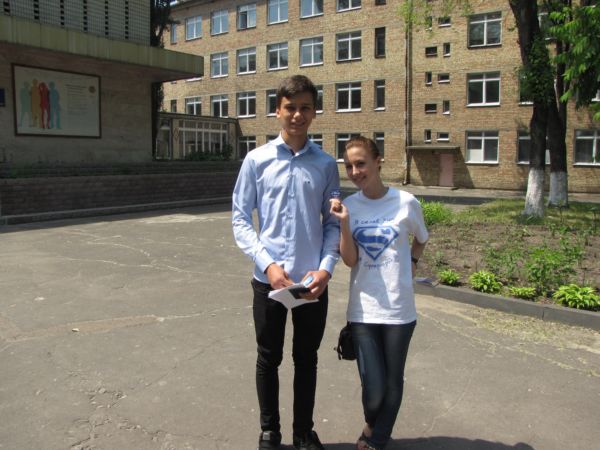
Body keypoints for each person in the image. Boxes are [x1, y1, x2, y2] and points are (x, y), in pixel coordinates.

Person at [232, 75, 340, 450]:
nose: (297, 114)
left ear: (314, 113)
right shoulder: (256, 160)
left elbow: (332, 223)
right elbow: (240, 219)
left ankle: (303, 432)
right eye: (290, 107)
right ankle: (270, 431)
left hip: (311, 283)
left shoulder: (325, 165)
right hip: (269, 281)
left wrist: (326, 268)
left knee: (306, 359)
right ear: (277, 110)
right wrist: (268, 265)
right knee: (268, 357)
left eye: (305, 107)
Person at [329, 137, 428, 450]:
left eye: (361, 164)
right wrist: (345, 224)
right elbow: (350, 260)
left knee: (393, 380)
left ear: (377, 161)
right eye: (349, 166)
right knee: (373, 389)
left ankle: (377, 438)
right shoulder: (351, 206)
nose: (355, 171)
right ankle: (372, 422)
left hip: (399, 309)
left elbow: (422, 237)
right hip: (363, 308)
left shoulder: (406, 202)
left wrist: (412, 261)